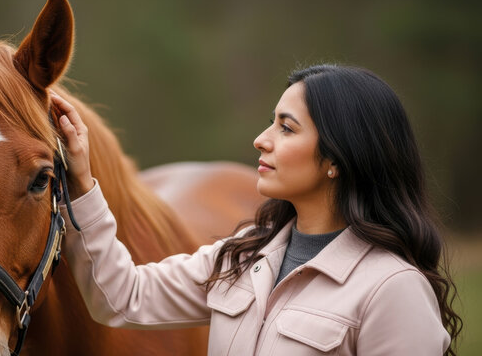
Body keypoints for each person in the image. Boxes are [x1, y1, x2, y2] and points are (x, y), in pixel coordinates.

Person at [50, 64, 461, 355]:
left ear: (338, 157)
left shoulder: (393, 290)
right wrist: (83, 183)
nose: (261, 140)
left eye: (287, 127)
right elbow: (122, 297)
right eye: (271, 123)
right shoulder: (242, 258)